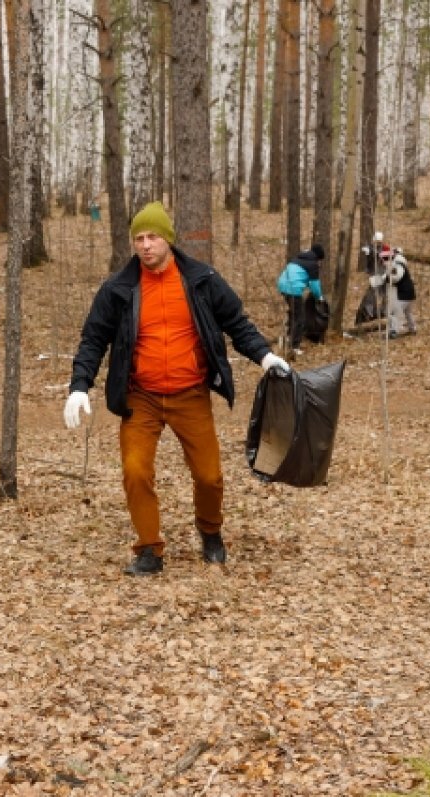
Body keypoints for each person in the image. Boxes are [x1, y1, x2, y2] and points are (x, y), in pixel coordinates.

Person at [63, 201, 290, 575]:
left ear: (168, 239)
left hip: (191, 394)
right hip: (141, 397)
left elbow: (237, 322)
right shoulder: (119, 289)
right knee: (135, 471)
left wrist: (265, 357)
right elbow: (93, 339)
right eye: (139, 238)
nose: (146, 245)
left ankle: (210, 531)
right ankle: (149, 550)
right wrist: (79, 386)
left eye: (153, 236)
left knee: (209, 475)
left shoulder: (201, 280)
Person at [277, 244, 325, 356]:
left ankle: (287, 337)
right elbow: (315, 285)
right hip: (294, 289)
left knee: (293, 314)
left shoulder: (299, 258)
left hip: (283, 285)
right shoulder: (313, 264)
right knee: (300, 318)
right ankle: (294, 346)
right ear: (318, 257)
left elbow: (301, 275)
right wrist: (320, 297)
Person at [370, 247, 417, 337]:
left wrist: (389, 279)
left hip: (404, 294)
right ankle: (412, 329)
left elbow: (397, 276)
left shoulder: (398, 265)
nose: (384, 261)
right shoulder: (397, 264)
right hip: (409, 293)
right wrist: (376, 281)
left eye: (385, 258)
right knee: (408, 312)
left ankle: (393, 331)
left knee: (393, 312)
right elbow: (386, 276)